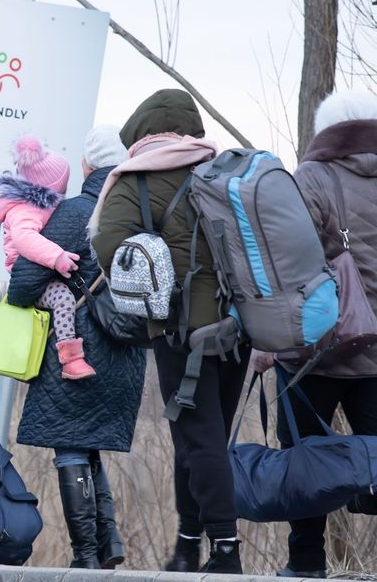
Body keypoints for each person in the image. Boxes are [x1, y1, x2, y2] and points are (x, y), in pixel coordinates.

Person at [254, 90, 377, 582]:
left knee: (304, 447)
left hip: (318, 346)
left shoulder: (311, 179)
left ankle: (306, 563)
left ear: (327, 132)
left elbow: (285, 267)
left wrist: (266, 337)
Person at [91, 90, 249, 574]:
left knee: (197, 440)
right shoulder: (224, 172)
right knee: (203, 439)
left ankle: (226, 552)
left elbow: (108, 246)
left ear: (141, 131)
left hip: (182, 333)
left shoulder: (136, 180)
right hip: (239, 329)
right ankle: (187, 544)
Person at [6, 124, 146, 569]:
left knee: (71, 446)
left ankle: (85, 556)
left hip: (79, 351)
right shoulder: (142, 216)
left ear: (87, 165)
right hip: (128, 352)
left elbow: (23, 284)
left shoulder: (74, 212)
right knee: (90, 444)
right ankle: (110, 543)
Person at [0, 135, 90, 379]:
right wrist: (57, 257)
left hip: (38, 268)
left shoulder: (36, 203)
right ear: (48, 187)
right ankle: (71, 360)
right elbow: (24, 239)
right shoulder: (26, 208)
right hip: (25, 272)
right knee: (63, 298)